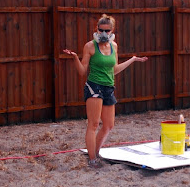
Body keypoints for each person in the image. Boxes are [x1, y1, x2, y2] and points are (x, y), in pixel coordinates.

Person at [63, 14, 148, 168]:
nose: (103, 34)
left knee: (109, 125)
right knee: (94, 124)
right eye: (100, 30)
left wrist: (133, 59)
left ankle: (95, 152)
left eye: (106, 31)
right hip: (94, 86)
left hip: (108, 87)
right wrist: (75, 57)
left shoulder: (113, 46)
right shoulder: (90, 46)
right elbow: (82, 71)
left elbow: (114, 69)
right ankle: (92, 159)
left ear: (112, 31)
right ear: (96, 29)